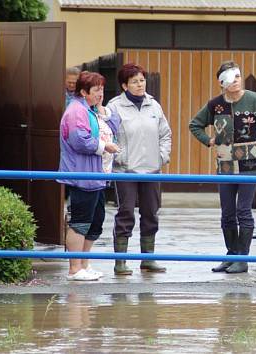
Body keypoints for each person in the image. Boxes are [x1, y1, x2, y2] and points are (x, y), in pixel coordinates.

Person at [189, 61, 256, 274]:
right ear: (221, 82)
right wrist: (208, 140)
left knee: (243, 210)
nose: (234, 82)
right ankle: (231, 255)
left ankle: (243, 258)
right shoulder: (215, 104)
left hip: (250, 165)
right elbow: (195, 124)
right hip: (224, 165)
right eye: (229, 78)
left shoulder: (254, 100)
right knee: (227, 213)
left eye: (237, 77)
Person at [107, 63, 172, 275]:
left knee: (151, 213)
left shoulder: (154, 105)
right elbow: (108, 136)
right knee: (125, 213)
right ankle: (121, 261)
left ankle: (148, 259)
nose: (139, 84)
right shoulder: (115, 107)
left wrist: (161, 156)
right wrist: (119, 157)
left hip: (152, 170)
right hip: (125, 170)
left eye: (142, 80)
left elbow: (165, 134)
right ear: (125, 85)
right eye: (134, 81)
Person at [58, 71, 121, 281]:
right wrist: (104, 146)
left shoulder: (92, 110)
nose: (100, 94)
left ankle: (84, 264)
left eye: (102, 89)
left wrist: (103, 112)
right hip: (82, 174)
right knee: (80, 221)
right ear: (84, 92)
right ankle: (75, 268)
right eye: (96, 90)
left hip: (97, 175)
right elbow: (79, 140)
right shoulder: (77, 110)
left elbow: (114, 126)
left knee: (96, 220)